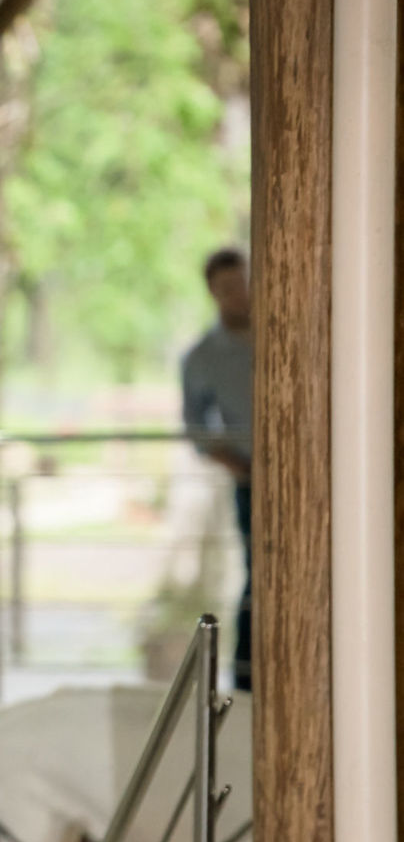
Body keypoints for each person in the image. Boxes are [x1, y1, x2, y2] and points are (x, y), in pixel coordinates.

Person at [179, 247, 253, 690]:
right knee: (259, 575)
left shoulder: (283, 328)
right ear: (213, 292)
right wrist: (239, 466)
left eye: (242, 282)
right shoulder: (203, 357)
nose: (239, 293)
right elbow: (196, 428)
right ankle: (246, 681)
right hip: (253, 479)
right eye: (228, 288)